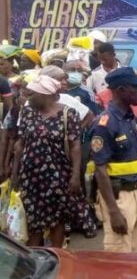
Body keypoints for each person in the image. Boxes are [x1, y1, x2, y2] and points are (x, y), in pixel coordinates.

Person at [11, 75, 95, 247]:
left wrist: (75, 176)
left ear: (45, 95)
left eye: (32, 94)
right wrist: (15, 173)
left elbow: (75, 146)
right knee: (33, 221)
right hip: (30, 177)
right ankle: (34, 258)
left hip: (58, 176)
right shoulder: (27, 113)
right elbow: (20, 144)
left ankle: (56, 255)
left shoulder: (67, 114)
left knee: (58, 219)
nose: (28, 98)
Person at [89, 67, 137, 252]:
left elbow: (133, 160)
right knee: (119, 254)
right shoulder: (104, 124)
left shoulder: (131, 119)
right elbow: (100, 170)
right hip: (117, 197)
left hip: (134, 192)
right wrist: (113, 211)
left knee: (136, 250)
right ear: (121, 90)